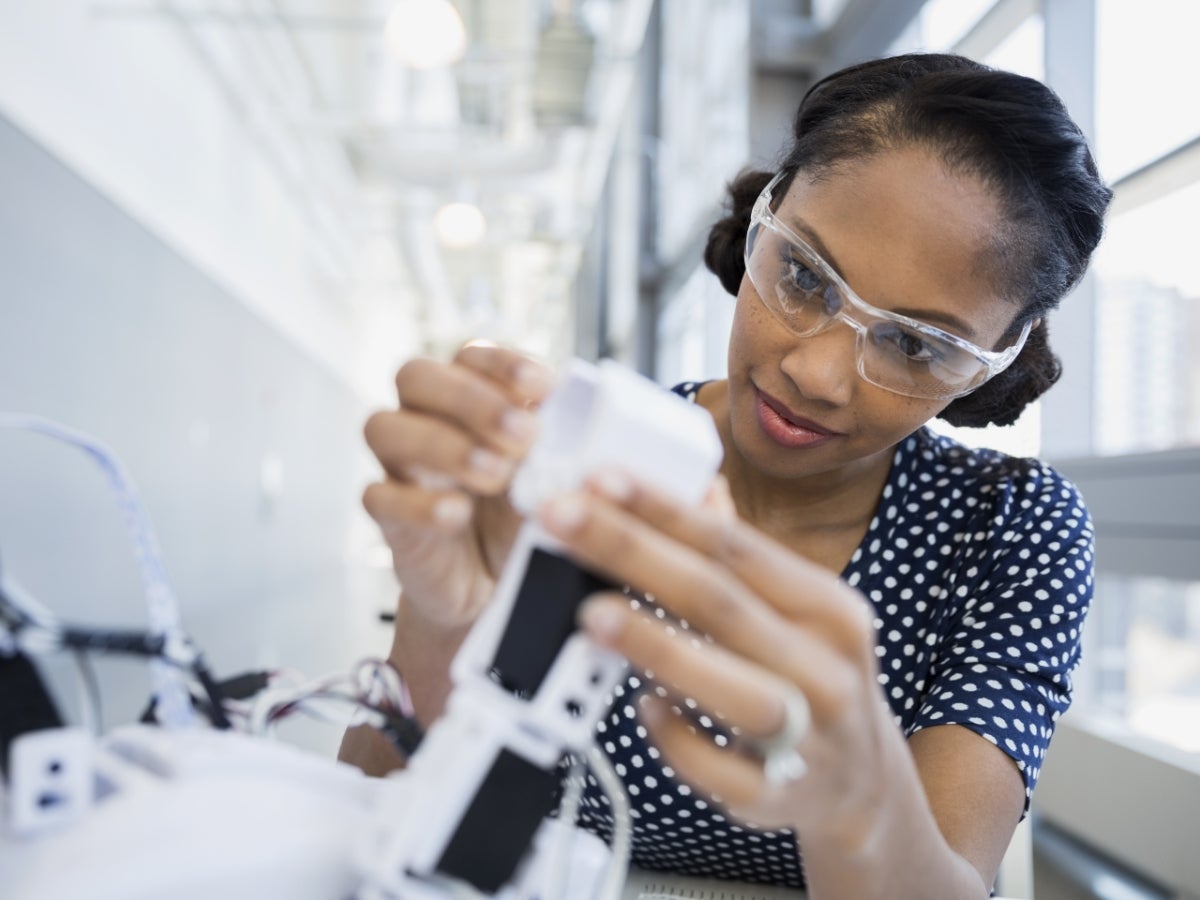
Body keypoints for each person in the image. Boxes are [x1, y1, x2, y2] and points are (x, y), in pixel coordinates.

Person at [339, 52, 1112, 898]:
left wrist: (861, 804)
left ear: (989, 366)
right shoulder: (597, 459)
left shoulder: (1008, 530)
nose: (817, 373)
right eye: (804, 276)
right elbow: (367, 819)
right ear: (763, 222)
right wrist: (438, 625)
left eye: (914, 343)